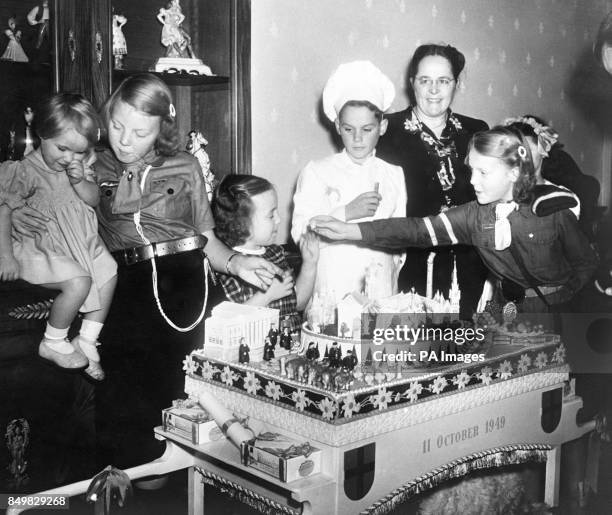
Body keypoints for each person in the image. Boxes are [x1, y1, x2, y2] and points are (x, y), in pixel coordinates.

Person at [12, 74, 280, 469]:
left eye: (140, 132)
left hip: (189, 293)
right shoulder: (91, 161)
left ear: (161, 129)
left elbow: (205, 237)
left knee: (205, 421)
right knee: (135, 437)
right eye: (118, 126)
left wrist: (237, 263)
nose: (124, 140)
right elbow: (38, 194)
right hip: (129, 301)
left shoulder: (185, 165)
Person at [311, 126, 598, 315]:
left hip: (558, 311)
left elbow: (585, 262)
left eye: (483, 173)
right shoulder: (473, 216)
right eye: (471, 170)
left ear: (513, 173)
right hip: (506, 310)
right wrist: (351, 230)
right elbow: (415, 230)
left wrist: (564, 300)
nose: (472, 181)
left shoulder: (550, 211)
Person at [0, 93, 117, 381]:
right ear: (41, 134)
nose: (69, 158)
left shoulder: (78, 167)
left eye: (79, 152)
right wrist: (6, 255)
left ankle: (87, 339)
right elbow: (4, 211)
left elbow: (92, 200)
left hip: (79, 241)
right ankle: (53, 340)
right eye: (62, 148)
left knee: (110, 272)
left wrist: (80, 180)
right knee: (78, 283)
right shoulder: (24, 171)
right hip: (42, 244)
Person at [376, 44, 489, 319]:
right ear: (412, 82)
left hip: (469, 264)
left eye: (443, 81)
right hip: (411, 263)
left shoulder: (476, 131)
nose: (434, 90)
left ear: (456, 84)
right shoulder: (386, 131)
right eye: (425, 80)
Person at [292, 60, 406, 309]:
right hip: (331, 289)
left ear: (382, 126)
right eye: (348, 129)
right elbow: (303, 236)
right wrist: (346, 212)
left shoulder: (393, 175)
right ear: (337, 127)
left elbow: (400, 245)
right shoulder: (316, 171)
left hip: (381, 292)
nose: (357, 138)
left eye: (367, 129)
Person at [213, 174, 319, 333]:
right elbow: (227, 323)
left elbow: (298, 304)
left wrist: (310, 264)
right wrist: (267, 296)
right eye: (271, 215)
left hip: (289, 349)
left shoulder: (276, 254)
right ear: (242, 224)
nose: (278, 219)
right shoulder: (228, 267)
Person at [504, 115, 600, 235]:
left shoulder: (561, 198)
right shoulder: (500, 190)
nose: (518, 157)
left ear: (544, 150)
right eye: (511, 150)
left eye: (525, 150)